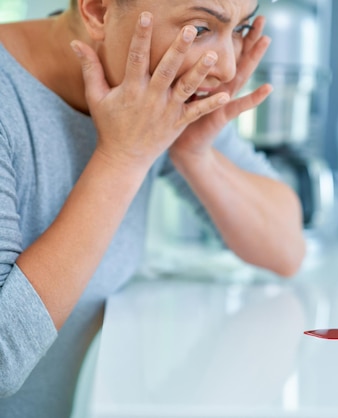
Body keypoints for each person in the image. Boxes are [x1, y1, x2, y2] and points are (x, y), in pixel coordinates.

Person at [0, 0, 307, 416]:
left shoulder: (147, 97)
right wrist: (122, 159)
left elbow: (286, 249)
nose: (229, 70)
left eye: (239, 28)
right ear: (96, 10)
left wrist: (193, 153)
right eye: (200, 29)